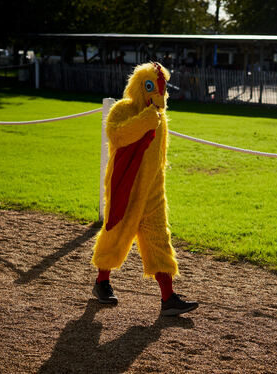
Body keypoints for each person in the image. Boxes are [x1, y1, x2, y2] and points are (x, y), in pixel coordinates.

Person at [91, 62, 198, 316]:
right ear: (141, 87)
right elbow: (116, 135)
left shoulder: (160, 118)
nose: (157, 95)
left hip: (153, 190)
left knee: (159, 239)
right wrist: (143, 121)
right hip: (126, 187)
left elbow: (159, 155)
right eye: (150, 87)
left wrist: (151, 120)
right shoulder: (122, 110)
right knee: (116, 232)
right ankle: (101, 281)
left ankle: (168, 297)